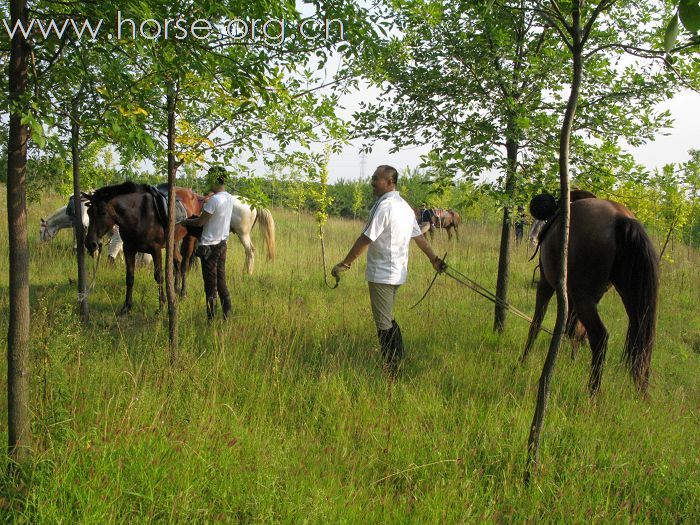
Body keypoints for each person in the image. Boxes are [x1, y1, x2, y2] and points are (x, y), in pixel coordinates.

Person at [331, 165, 447, 375]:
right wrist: (434, 260)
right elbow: (419, 237)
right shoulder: (403, 206)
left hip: (382, 273)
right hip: (397, 273)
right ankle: (395, 362)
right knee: (387, 318)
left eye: (376, 178)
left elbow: (366, 237)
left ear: (390, 182)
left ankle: (392, 368)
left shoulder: (384, 207)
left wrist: (345, 263)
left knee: (384, 322)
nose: (372, 182)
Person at [182, 169, 235, 320]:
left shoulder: (214, 201)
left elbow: (200, 222)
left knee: (210, 285)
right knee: (221, 280)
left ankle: (211, 319)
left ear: (214, 180)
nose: (207, 181)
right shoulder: (228, 198)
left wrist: (185, 221)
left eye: (209, 179)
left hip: (209, 247)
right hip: (222, 244)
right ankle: (227, 313)